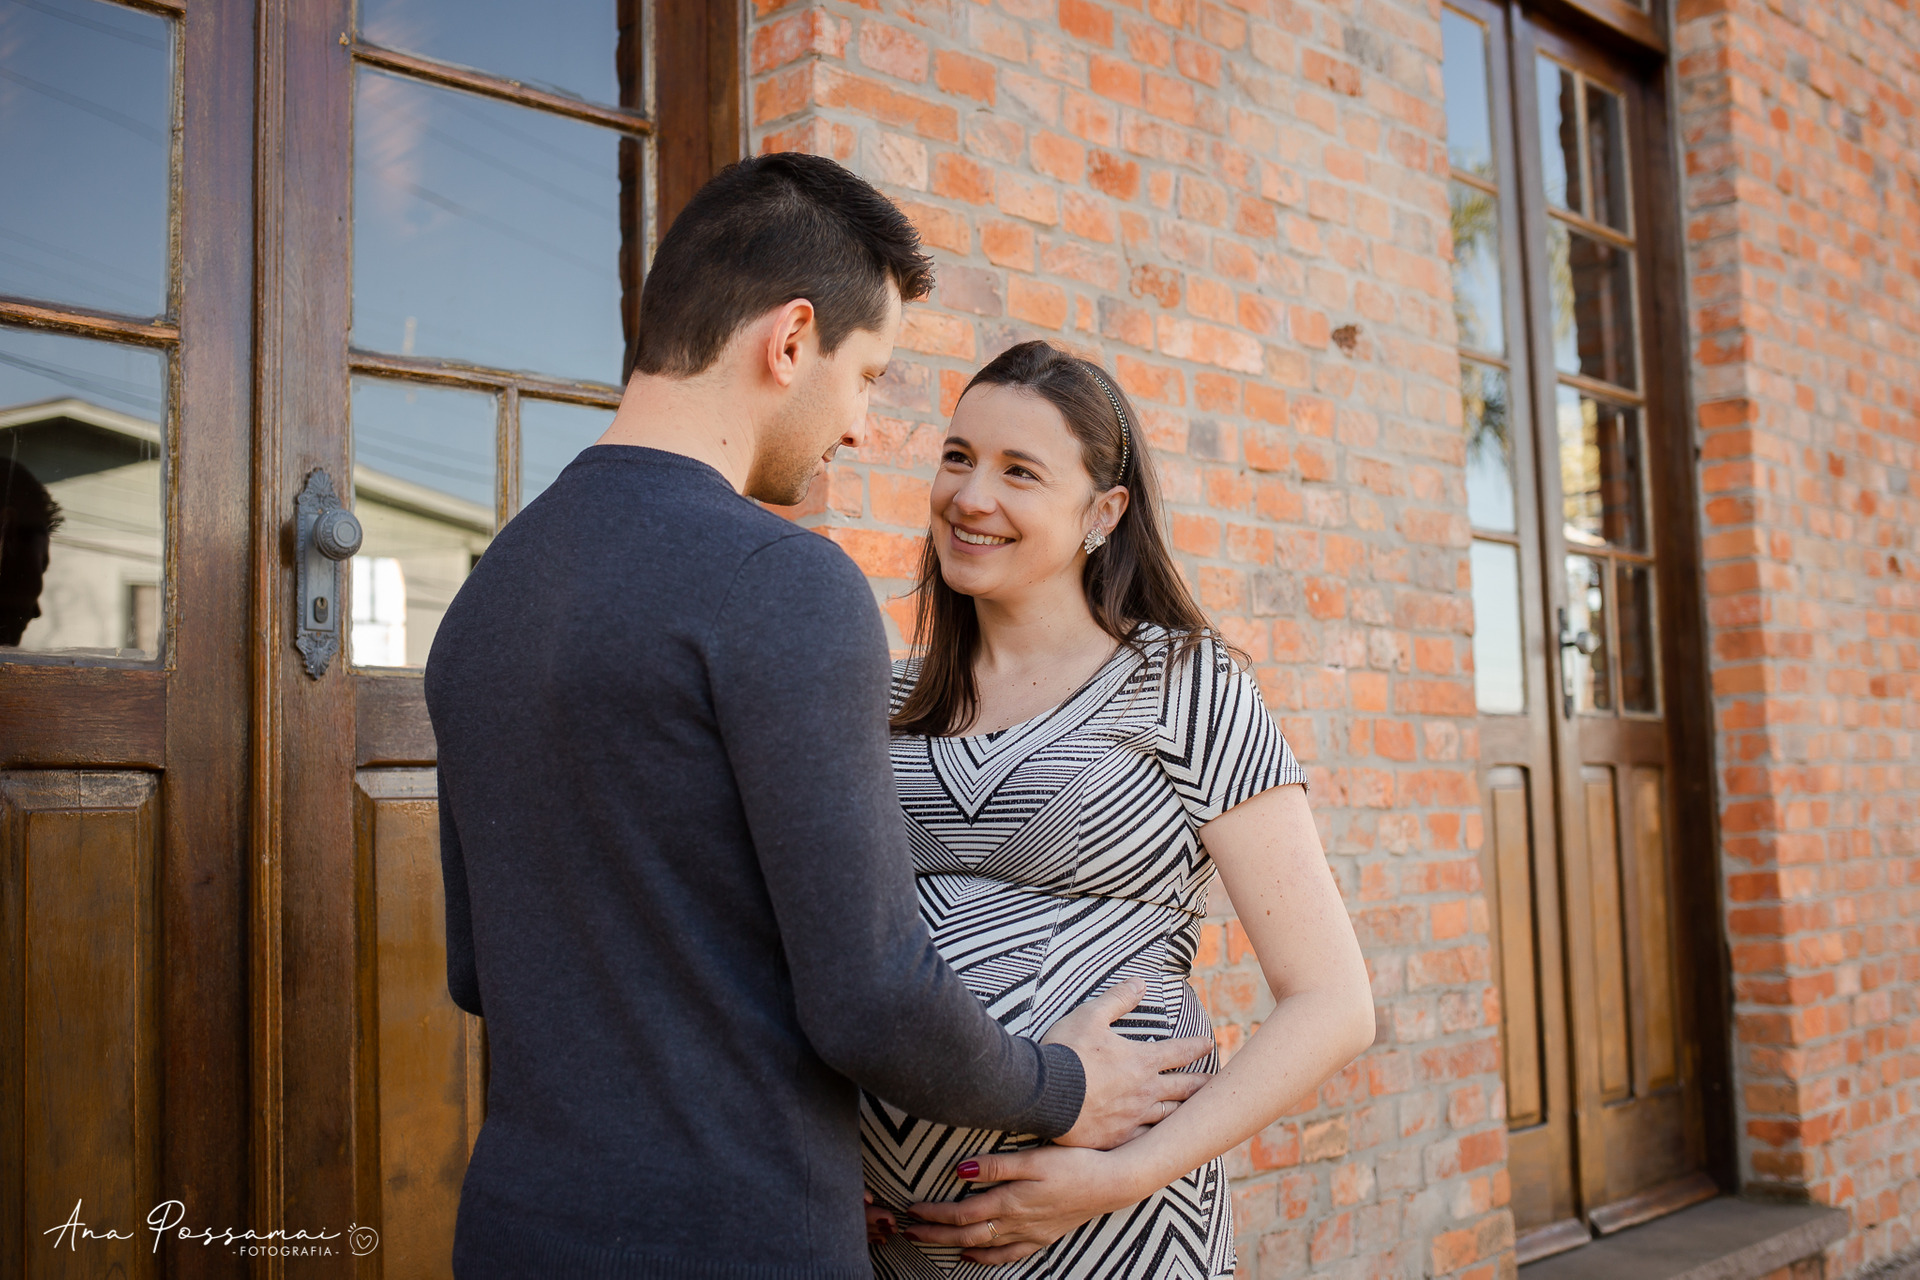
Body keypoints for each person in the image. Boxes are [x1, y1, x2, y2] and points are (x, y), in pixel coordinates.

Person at [424, 154, 1211, 1279]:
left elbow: (476, 970)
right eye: (871, 374)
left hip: (516, 1230)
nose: (863, 424)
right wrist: (1064, 1084)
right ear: (790, 340)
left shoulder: (489, 592)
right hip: (733, 1240)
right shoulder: (781, 583)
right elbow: (871, 998)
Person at [860, 341, 1376, 1278]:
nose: (972, 496)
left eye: (1020, 471)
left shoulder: (1183, 684)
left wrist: (1118, 1177)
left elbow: (1334, 1004)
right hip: (902, 1251)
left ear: (1103, 512)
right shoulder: (881, 701)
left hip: (1117, 1232)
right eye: (957, 457)